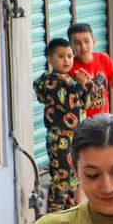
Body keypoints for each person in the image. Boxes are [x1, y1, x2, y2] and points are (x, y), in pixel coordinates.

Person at [35, 38, 102, 211]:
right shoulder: (51, 82)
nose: (66, 60)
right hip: (60, 139)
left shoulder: (68, 80)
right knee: (62, 180)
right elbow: (69, 104)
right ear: (50, 60)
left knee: (73, 179)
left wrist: (88, 87)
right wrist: (80, 86)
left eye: (70, 56)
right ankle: (55, 219)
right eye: (61, 56)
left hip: (74, 138)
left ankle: (70, 216)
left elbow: (84, 105)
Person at [67, 21, 113, 120]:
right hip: (81, 122)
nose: (83, 47)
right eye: (78, 43)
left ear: (94, 41)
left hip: (103, 120)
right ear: (71, 47)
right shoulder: (69, 66)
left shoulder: (103, 58)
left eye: (86, 41)